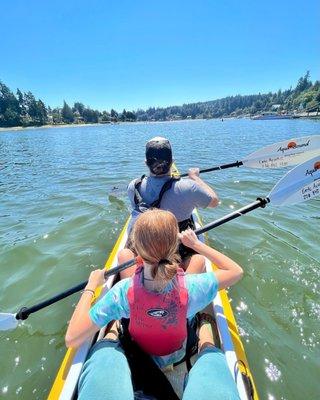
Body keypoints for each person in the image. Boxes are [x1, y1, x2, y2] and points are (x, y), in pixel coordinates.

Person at [65, 209, 242, 399]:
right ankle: (204, 331)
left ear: (138, 251)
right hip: (178, 353)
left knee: (116, 322)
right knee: (197, 264)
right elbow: (236, 271)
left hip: (141, 351)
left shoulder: (122, 291)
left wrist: (91, 287)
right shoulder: (193, 287)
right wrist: (196, 244)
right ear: (175, 245)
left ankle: (113, 327)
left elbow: (72, 339)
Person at [119, 136, 219, 278]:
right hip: (176, 248)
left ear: (146, 163)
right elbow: (215, 202)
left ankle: (135, 284)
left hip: (145, 247)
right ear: (172, 162)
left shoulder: (134, 186)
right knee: (197, 260)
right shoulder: (187, 187)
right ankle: (185, 285)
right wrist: (195, 178)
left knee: (125, 254)